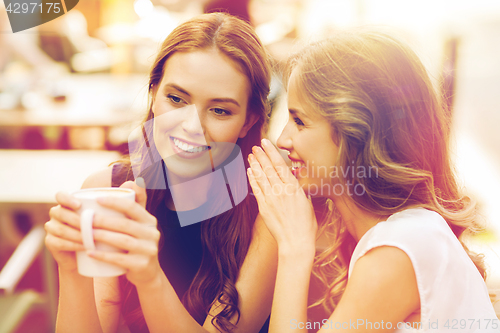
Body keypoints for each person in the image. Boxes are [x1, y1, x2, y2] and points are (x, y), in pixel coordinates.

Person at [247, 29, 498, 332]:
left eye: (300, 121)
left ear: (356, 135)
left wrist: (294, 246)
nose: (283, 139)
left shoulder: (398, 249)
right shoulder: (406, 234)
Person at [45, 13, 277, 333]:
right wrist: (72, 272)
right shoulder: (110, 191)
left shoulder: (267, 212)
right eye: (176, 98)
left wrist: (148, 275)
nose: (191, 127)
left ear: (248, 121)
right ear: (154, 94)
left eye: (220, 110)